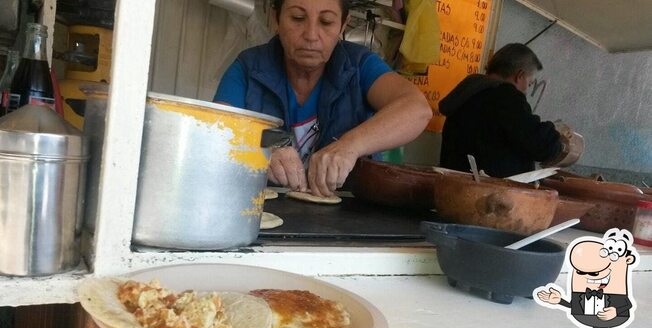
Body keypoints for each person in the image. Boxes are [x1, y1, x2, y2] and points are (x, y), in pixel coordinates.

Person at [214, 0, 432, 197]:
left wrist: (349, 146)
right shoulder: (248, 68)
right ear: (275, 19)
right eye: (298, 18)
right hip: (257, 213)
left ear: (343, 25)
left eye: (326, 22)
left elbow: (417, 109)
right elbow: (216, 131)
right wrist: (260, 147)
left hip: (346, 221)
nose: (311, 34)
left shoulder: (359, 66)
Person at [438, 43, 565, 178]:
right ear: (519, 76)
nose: (527, 89)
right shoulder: (505, 96)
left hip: (454, 184)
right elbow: (539, 144)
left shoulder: (469, 93)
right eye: (529, 83)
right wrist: (559, 140)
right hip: (489, 192)